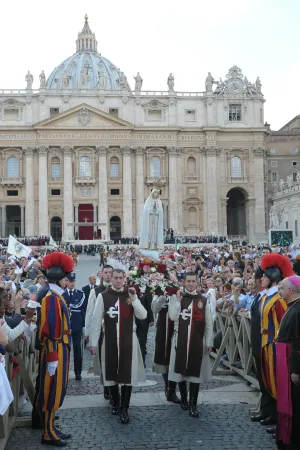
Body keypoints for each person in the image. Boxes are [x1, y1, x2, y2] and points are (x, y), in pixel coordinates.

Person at [89, 269, 147, 424]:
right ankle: (115, 401)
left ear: (124, 279)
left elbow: (143, 315)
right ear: (111, 279)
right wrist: (93, 342)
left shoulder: (131, 295)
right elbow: (95, 320)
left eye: (121, 278)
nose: (118, 281)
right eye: (116, 278)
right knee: (111, 373)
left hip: (129, 340)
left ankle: (124, 408)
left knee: (128, 376)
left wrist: (135, 299)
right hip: (110, 340)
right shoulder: (103, 296)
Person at [36, 252, 74, 447]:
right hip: (55, 349)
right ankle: (48, 432)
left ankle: (51, 426)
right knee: (52, 389)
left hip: (60, 348)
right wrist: (52, 356)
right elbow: (50, 329)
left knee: (57, 389)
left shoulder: (54, 295)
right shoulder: (52, 298)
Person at [168, 272, 214, 418]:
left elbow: (208, 323)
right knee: (180, 371)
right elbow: (173, 317)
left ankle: (193, 404)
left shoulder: (203, 300)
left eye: (193, 281)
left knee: (196, 374)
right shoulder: (177, 297)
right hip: (180, 340)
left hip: (197, 340)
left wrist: (209, 342)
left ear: (197, 282)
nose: (190, 284)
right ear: (184, 282)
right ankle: (184, 399)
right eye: (188, 281)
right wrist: (178, 301)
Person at [259, 253, 293, 434]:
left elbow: (283, 324)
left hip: (275, 344)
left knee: (279, 384)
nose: (261, 278)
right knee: (270, 382)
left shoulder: (278, 300)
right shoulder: (267, 297)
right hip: (266, 343)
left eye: (265, 276)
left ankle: (283, 423)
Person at [276, 276, 300, 449]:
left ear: (290, 290)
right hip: (286, 364)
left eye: (282, 288)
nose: (280, 291)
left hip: (293, 366)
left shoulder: (298, 310)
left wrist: (295, 369)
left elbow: (298, 341)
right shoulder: (292, 308)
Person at [250, 267, 276, 424]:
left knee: (268, 380)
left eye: (256, 278)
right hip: (257, 345)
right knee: (262, 379)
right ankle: (265, 411)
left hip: (265, 345)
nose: (253, 282)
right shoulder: (260, 297)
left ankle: (272, 414)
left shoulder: (270, 298)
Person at [85, 264, 113, 400]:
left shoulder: (120, 290)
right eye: (105, 272)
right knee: (104, 360)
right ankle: (107, 386)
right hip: (101, 331)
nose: (108, 275)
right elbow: (90, 313)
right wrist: (89, 335)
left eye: (110, 272)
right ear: (101, 274)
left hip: (116, 330)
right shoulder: (95, 291)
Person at [152, 293, 180, 403]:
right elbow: (154, 309)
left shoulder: (178, 291)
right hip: (163, 326)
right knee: (164, 356)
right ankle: (168, 388)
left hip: (177, 325)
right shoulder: (158, 292)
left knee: (175, 357)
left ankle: (172, 389)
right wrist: (162, 297)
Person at [63, 273, 85, 381]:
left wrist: (84, 325)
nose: (72, 284)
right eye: (70, 281)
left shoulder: (80, 294)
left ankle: (78, 372)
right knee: (65, 350)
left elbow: (83, 310)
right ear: (66, 282)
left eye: (73, 281)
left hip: (77, 327)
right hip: (65, 327)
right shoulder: (62, 295)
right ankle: (64, 372)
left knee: (77, 350)